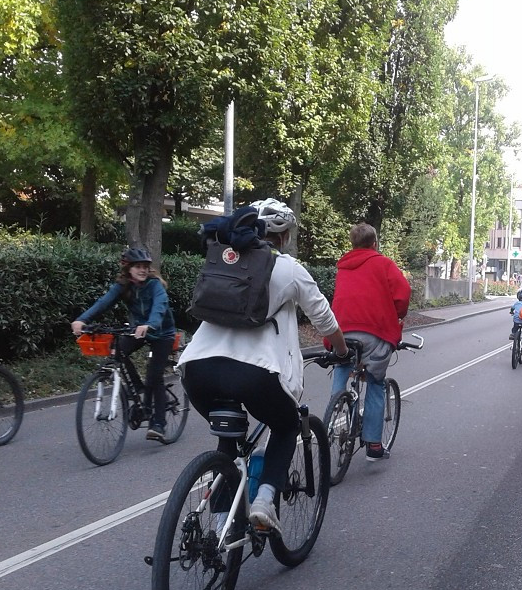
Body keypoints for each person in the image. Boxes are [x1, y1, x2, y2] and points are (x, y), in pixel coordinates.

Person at [178, 199, 349, 532]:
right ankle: (264, 501)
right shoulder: (287, 268)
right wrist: (341, 351)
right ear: (283, 236)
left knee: (228, 445)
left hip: (197, 370)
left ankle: (218, 530)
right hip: (254, 373)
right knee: (285, 427)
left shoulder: (224, 257)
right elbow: (325, 320)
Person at [72, 247, 178, 442]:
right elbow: (103, 303)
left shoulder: (155, 286)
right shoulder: (122, 286)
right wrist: (82, 320)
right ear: (128, 269)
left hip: (162, 333)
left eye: (145, 266)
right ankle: (139, 388)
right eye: (138, 266)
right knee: (118, 350)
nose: (142, 270)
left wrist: (150, 324)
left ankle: (159, 424)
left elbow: (159, 307)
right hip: (138, 329)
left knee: (154, 377)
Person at [328, 222, 412, 460]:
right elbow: (402, 292)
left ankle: (335, 408)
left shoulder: (343, 267)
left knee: (342, 363)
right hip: (373, 332)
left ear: (353, 244)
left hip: (341, 331)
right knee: (376, 382)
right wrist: (397, 315)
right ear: (374, 243)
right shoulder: (383, 263)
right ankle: (374, 446)